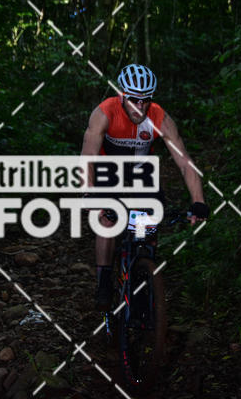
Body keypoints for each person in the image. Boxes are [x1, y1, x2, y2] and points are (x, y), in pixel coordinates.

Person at [80, 64, 210, 310]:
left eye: (146, 100)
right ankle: (104, 281)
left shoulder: (159, 117)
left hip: (142, 170)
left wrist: (198, 201)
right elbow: (88, 155)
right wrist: (89, 191)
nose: (140, 107)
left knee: (147, 221)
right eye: (134, 100)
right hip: (109, 169)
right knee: (107, 219)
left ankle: (143, 270)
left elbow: (185, 162)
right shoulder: (104, 112)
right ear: (122, 95)